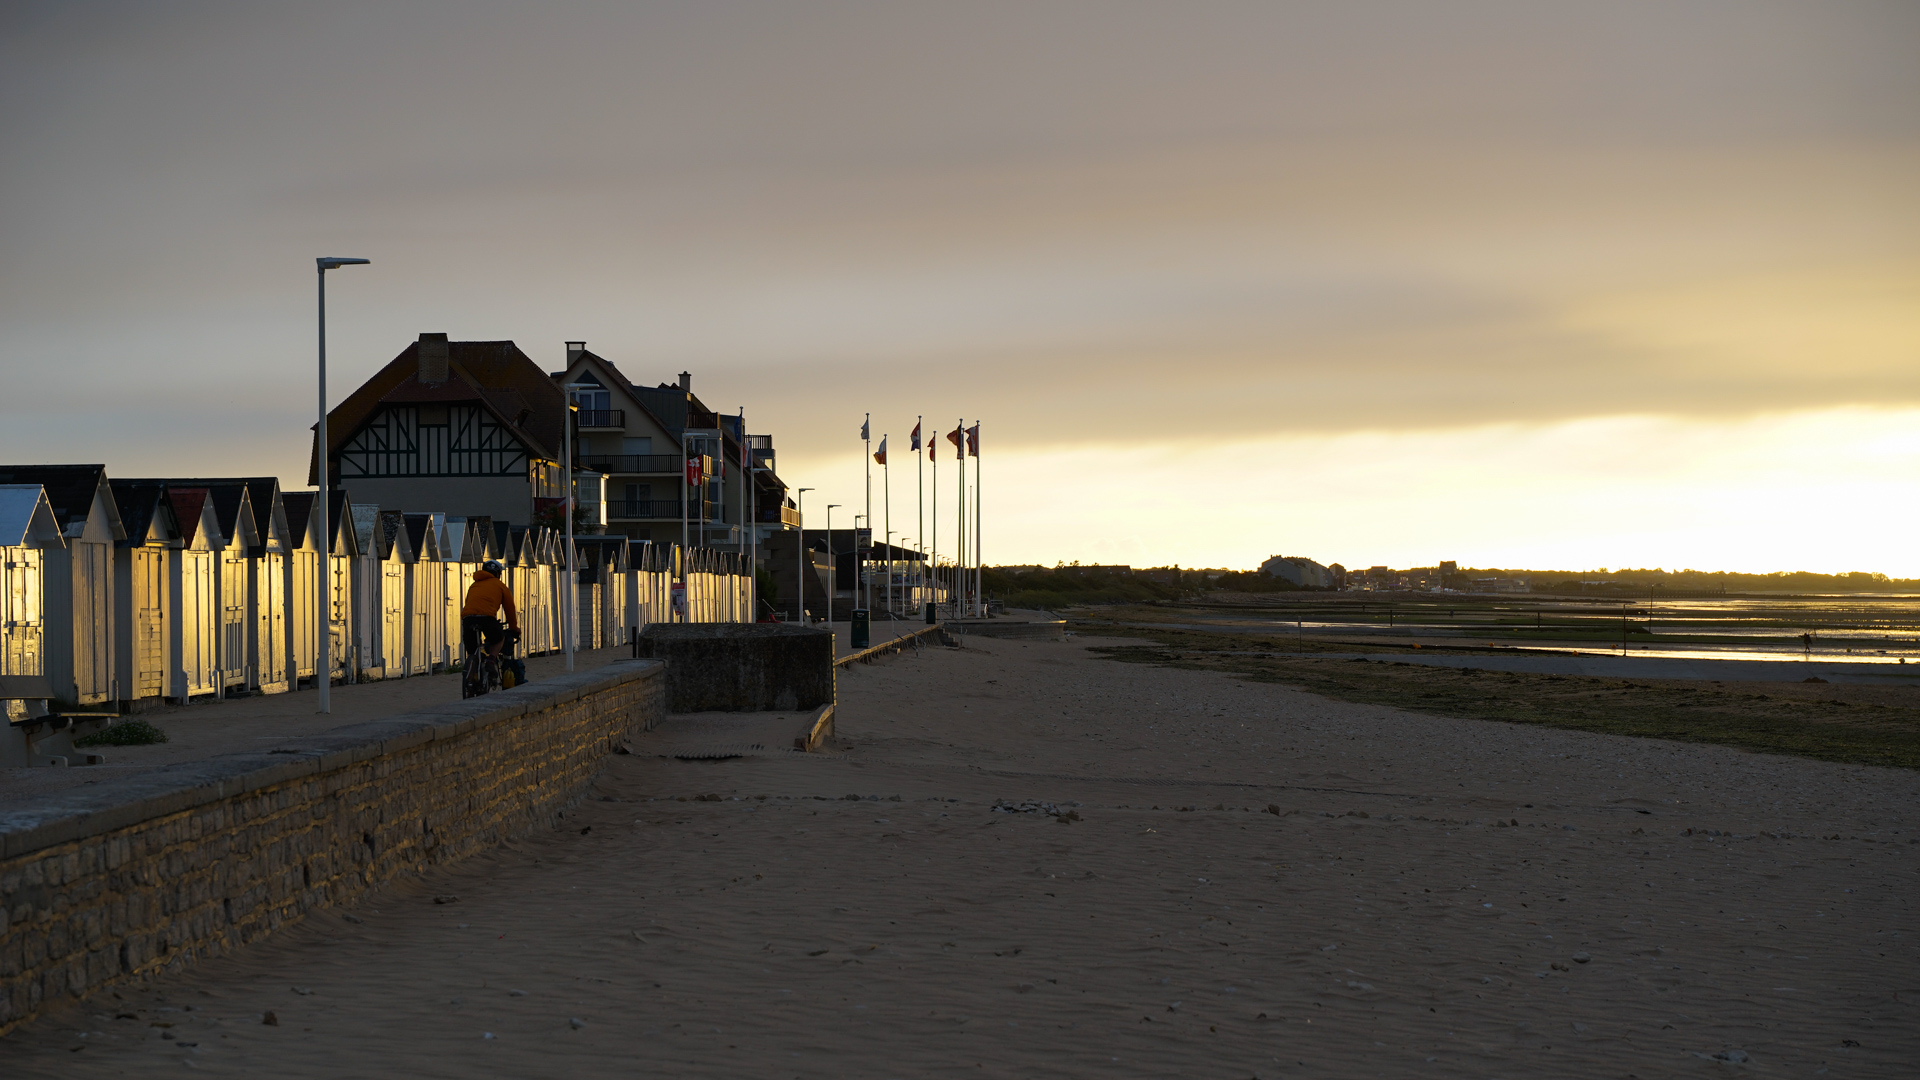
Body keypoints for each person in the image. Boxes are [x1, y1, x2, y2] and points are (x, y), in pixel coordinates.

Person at [462, 559, 520, 673]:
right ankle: (491, 660)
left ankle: (471, 671)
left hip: (468, 619)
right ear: (498, 573)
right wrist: (514, 628)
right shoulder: (500, 586)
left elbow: (468, 603)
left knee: (472, 650)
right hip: (487, 618)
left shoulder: (474, 585)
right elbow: (510, 609)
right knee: (499, 638)